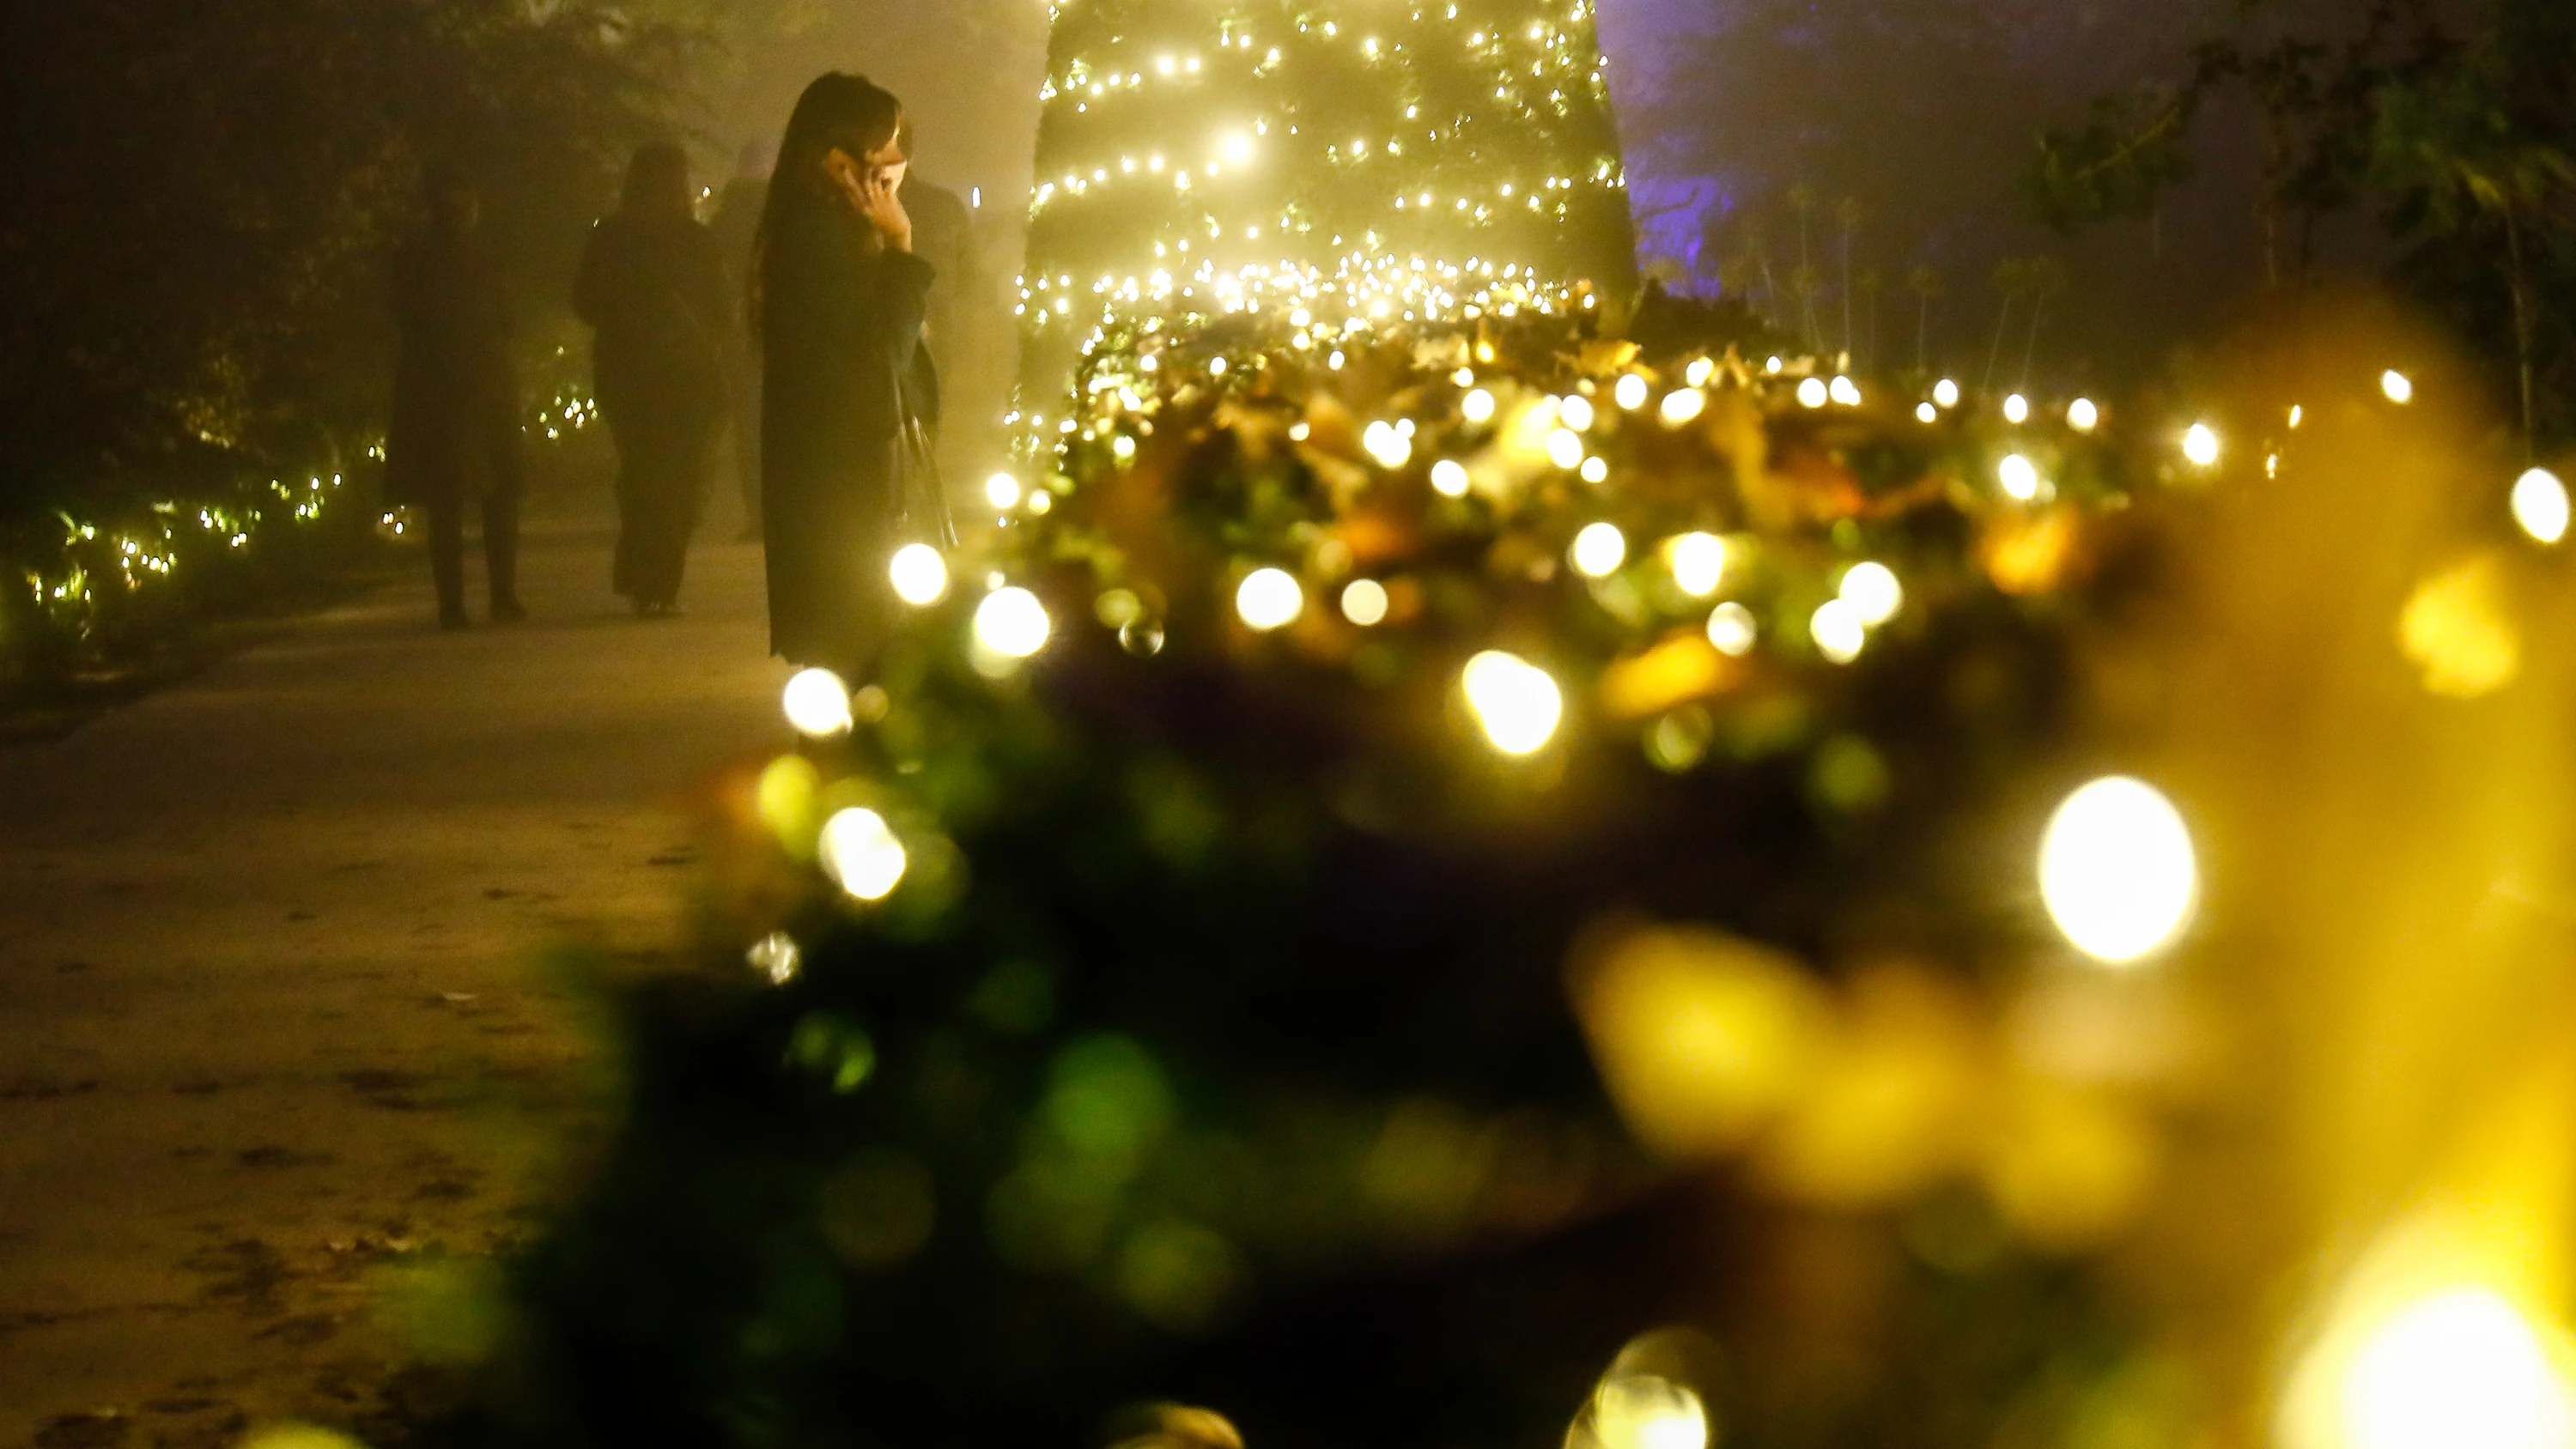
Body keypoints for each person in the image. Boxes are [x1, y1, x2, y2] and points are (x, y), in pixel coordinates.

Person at [755, 74, 945, 670]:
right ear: (838, 162)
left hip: (842, 479)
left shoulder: (824, 230)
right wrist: (902, 248)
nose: (897, 162)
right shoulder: (818, 240)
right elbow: (879, 353)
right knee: (858, 659)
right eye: (882, 147)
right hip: (841, 488)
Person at [575, 142, 732, 618]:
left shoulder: (611, 237)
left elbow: (584, 302)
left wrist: (627, 316)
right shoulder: (697, 241)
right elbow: (723, 310)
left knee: (644, 475)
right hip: (687, 376)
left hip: (628, 376)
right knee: (681, 479)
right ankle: (661, 582)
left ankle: (643, 575)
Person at [386, 165, 526, 631]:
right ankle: (502, 595)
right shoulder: (486, 259)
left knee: (445, 499)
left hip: (433, 387)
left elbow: (402, 323)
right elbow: (507, 321)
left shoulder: (411, 261)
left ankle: (453, 603)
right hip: (486, 384)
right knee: (499, 494)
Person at [709, 142, 774, 538]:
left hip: (738, 334)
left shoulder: (725, 217)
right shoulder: (782, 215)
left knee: (749, 427)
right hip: (779, 332)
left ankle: (757, 513)